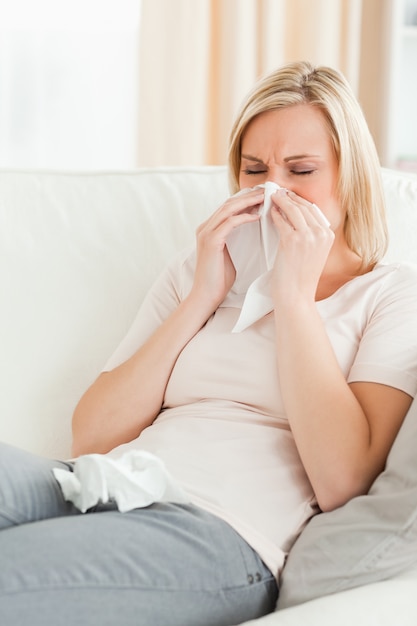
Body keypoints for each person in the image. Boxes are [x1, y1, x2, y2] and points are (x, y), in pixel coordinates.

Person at [1, 60, 417, 626]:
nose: (273, 190)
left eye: (300, 170)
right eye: (254, 169)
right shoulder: (202, 271)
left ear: (351, 176)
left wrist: (294, 298)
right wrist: (202, 294)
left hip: (218, 533)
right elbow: (93, 435)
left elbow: (343, 481)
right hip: (105, 484)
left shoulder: (390, 296)